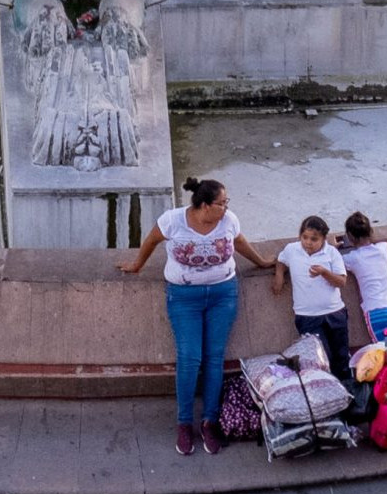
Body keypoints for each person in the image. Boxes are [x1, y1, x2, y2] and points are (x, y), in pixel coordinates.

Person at [118, 177, 270, 457]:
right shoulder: (173, 220)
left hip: (223, 294)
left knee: (214, 357)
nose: (226, 208)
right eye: (222, 203)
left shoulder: (228, 220)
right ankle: (184, 422)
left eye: (227, 203)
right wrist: (136, 266)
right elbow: (151, 241)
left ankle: (210, 421)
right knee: (190, 357)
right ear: (203, 205)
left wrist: (261, 262)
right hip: (184, 297)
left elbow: (239, 242)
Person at [272, 214, 350, 375]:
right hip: (307, 316)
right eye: (305, 237)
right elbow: (281, 260)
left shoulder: (332, 253)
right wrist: (279, 276)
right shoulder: (292, 250)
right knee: (321, 358)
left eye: (314, 239)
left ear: (323, 239)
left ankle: (347, 388)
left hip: (334, 313)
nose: (308, 242)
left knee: (341, 356)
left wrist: (324, 272)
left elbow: (341, 282)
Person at [339, 212, 387, 340]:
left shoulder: (353, 258)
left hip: (375, 312)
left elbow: (332, 260)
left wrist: (332, 245)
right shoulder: (382, 249)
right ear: (370, 231)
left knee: (382, 353)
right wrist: (375, 238)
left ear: (350, 236)